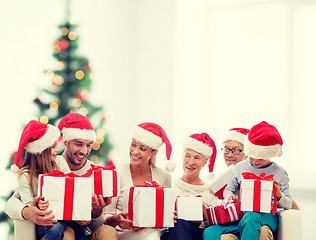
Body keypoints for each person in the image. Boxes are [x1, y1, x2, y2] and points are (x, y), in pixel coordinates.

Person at [5, 113, 117, 240]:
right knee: (66, 233)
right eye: (79, 144)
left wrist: (94, 213)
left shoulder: (95, 173)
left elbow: (96, 224)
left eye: (89, 145)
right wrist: (28, 211)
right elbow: (11, 203)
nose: (84, 151)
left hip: (77, 226)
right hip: (52, 225)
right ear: (66, 142)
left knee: (101, 232)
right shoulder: (36, 171)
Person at [204, 121, 293, 240]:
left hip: (266, 217)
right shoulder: (240, 167)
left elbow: (289, 204)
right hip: (241, 216)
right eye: (252, 155)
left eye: (260, 158)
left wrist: (278, 195)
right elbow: (228, 190)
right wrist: (230, 197)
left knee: (251, 217)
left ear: (270, 154)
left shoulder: (280, 172)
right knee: (210, 231)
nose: (255, 161)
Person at [99, 122, 173, 240]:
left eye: (142, 148)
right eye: (133, 145)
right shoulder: (117, 174)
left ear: (153, 152)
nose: (135, 151)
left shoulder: (164, 177)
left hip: (151, 233)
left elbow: (166, 223)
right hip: (121, 233)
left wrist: (167, 217)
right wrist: (116, 220)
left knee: (152, 233)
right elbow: (105, 216)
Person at [13, 120, 76, 240]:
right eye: (53, 147)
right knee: (55, 227)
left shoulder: (59, 162)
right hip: (44, 219)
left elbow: (71, 185)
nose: (57, 150)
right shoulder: (26, 175)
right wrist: (37, 205)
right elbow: (28, 204)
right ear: (41, 152)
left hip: (65, 215)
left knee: (81, 236)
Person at [161, 132, 218, 240]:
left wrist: (203, 209)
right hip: (172, 233)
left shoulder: (209, 191)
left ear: (205, 162)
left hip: (196, 235)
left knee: (182, 224)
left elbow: (214, 226)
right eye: (187, 156)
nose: (191, 162)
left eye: (197, 158)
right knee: (179, 224)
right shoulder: (170, 184)